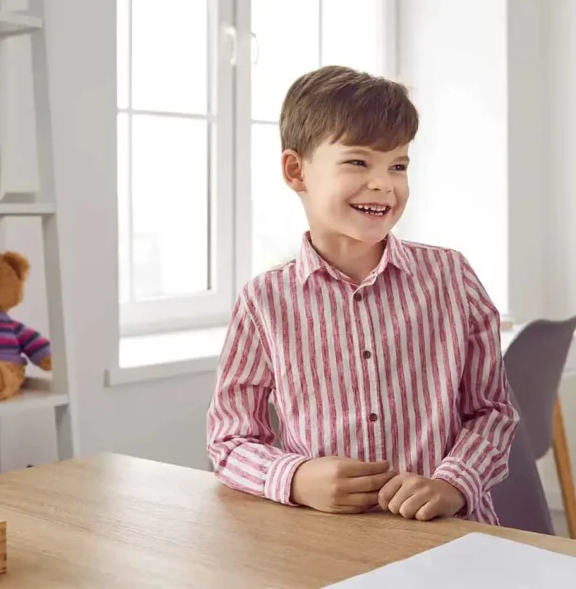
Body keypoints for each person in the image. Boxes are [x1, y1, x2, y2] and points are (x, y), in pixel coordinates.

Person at [205, 65, 518, 525]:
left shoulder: (452, 278)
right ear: (296, 171)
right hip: (324, 545)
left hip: (447, 538)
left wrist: (453, 482)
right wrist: (294, 477)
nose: (384, 184)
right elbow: (229, 441)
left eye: (398, 165)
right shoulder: (264, 301)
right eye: (358, 162)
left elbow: (492, 412)